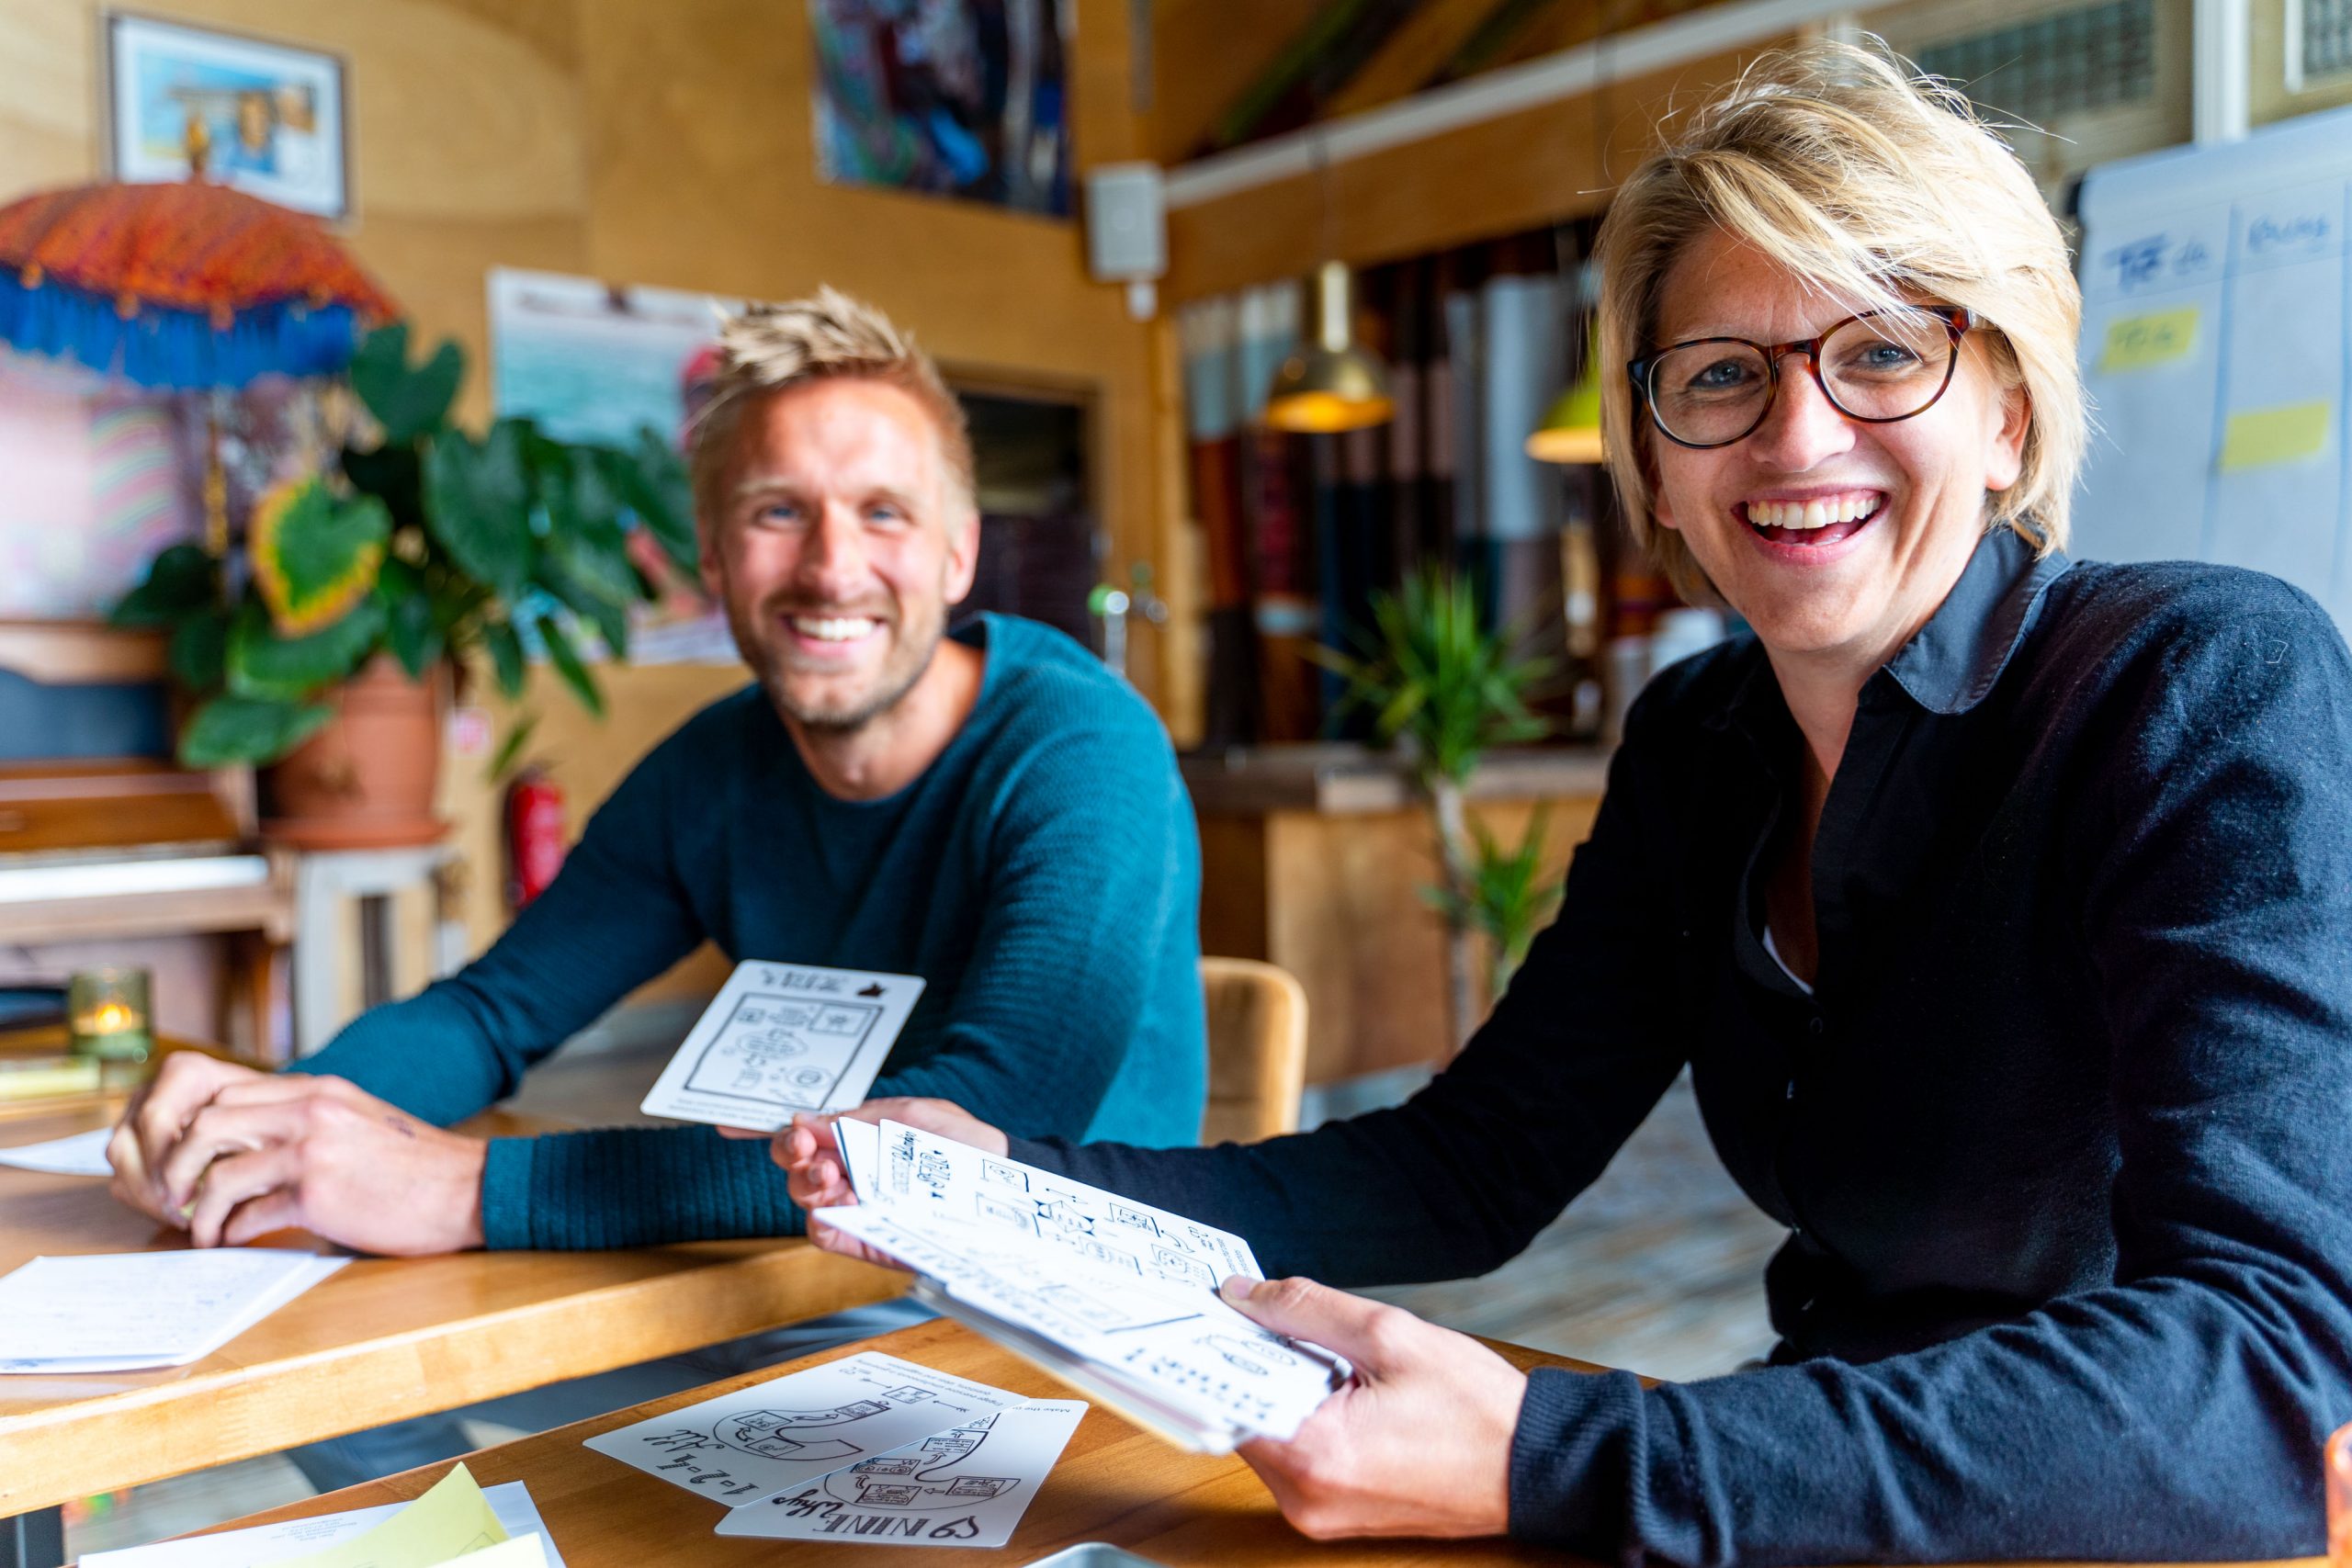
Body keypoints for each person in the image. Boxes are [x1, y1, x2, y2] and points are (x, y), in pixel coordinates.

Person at [780, 43, 2352, 1566]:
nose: (1799, 434)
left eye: (1883, 350)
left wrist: (1555, 1455)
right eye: (1721, 375)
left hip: (2146, 1515)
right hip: (1812, 1469)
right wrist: (1011, 1173)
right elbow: (1466, 1168)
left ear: (2006, 409)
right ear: (1656, 465)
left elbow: (2266, 1369)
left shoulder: (2201, 679)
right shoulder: (1697, 740)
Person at [106, 286, 1208, 1258]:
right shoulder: (712, 772)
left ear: (957, 553)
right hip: (798, 1276)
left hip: (1061, 1302)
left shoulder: (1080, 750)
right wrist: (275, 1118)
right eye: (779, 512)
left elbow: (982, 1128)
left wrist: (463, 1190)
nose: (831, 568)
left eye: (883, 513)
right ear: (715, 558)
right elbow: (495, 1012)